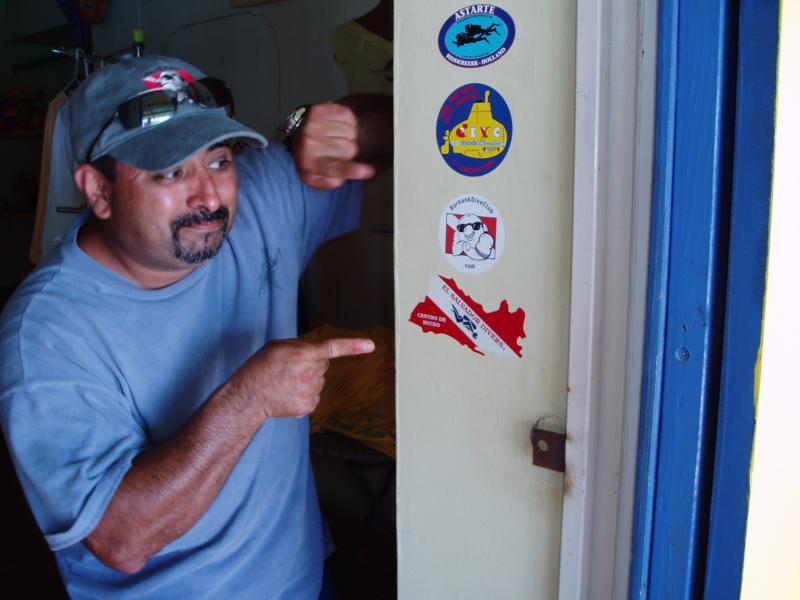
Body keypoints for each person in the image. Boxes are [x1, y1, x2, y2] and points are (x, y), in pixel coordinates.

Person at [0, 54, 391, 598]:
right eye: (170, 172)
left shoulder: (256, 204)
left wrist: (348, 129)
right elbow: (121, 538)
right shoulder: (46, 334)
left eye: (219, 160)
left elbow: (400, 129)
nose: (208, 197)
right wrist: (249, 399)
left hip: (301, 580)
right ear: (98, 190)